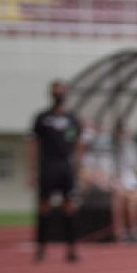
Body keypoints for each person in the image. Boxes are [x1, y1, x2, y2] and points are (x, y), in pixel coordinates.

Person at [27, 80, 83, 262]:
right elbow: (32, 144)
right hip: (48, 166)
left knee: (70, 208)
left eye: (62, 91)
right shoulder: (42, 118)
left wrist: (78, 169)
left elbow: (78, 144)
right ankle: (41, 249)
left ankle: (71, 250)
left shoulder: (72, 119)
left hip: (65, 167)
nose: (59, 94)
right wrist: (32, 171)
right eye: (56, 91)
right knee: (44, 208)